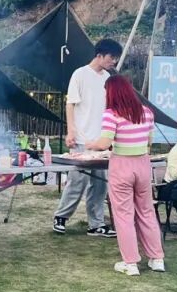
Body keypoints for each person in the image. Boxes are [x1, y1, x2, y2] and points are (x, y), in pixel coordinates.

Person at [86, 75, 164, 275]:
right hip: (143, 164)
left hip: (121, 165)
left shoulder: (111, 114)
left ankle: (130, 263)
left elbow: (104, 143)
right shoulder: (147, 112)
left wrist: (90, 144)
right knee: (146, 211)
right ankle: (157, 259)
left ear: (111, 92)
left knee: (123, 215)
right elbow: (149, 141)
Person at [52, 38, 122, 237]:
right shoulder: (80, 74)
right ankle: (61, 216)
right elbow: (70, 104)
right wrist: (71, 131)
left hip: (101, 141)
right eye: (111, 57)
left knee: (100, 184)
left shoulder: (108, 78)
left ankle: (96, 224)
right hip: (82, 138)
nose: (114, 61)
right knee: (77, 181)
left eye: (115, 58)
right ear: (99, 55)